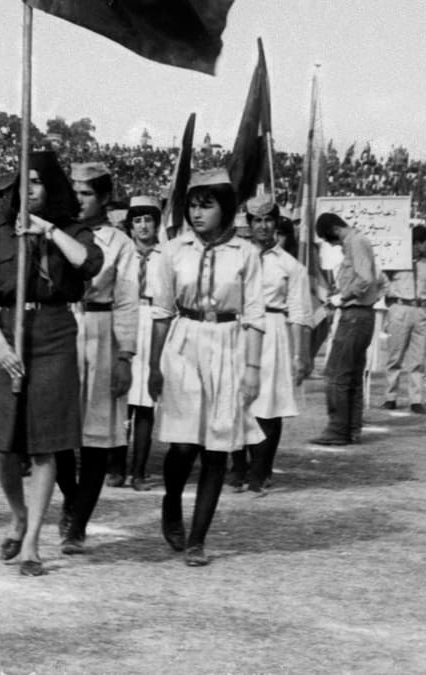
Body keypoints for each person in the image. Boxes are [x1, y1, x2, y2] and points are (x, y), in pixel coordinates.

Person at [0, 150, 103, 577]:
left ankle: (31, 545)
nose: (28, 190)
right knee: (2, 447)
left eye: (37, 182)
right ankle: (19, 514)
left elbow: (89, 265)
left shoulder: (71, 230)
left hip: (53, 333)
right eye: (22, 182)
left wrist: (47, 229)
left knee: (45, 443)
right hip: (7, 337)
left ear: (52, 187)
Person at [147, 169, 264, 566]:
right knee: (183, 445)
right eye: (192, 206)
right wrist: (153, 366)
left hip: (229, 344)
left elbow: (254, 315)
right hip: (184, 341)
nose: (197, 214)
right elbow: (161, 312)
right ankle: (171, 500)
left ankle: (197, 540)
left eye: (206, 206)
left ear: (226, 208)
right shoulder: (173, 250)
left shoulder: (246, 254)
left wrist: (251, 368)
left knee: (217, 448)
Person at [57, 162, 138, 555]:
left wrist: (126, 356)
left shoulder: (119, 243)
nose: (78, 199)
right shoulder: (61, 231)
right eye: (75, 191)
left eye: (86, 193)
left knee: (96, 437)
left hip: (102, 331)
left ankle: (78, 523)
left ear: (105, 197)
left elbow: (126, 301)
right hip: (61, 329)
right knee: (54, 430)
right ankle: (70, 497)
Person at [231, 196, 310, 493]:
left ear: (276, 223)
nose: (263, 226)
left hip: (273, 332)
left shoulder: (290, 265)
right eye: (257, 221)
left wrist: (300, 354)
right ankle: (238, 466)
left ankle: (259, 471)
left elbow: (300, 313)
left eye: (268, 220)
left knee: (268, 405)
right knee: (238, 400)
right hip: (240, 330)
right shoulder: (238, 256)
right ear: (249, 225)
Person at [310, 211, 382, 446]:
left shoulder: (355, 242)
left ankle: (338, 428)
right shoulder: (358, 241)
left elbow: (365, 280)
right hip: (361, 315)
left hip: (354, 315)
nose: (334, 245)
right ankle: (351, 428)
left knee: (336, 374)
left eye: (330, 240)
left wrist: (344, 296)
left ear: (333, 231)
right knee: (351, 376)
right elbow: (375, 281)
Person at [116, 195, 164, 492]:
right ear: (130, 227)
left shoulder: (165, 256)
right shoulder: (123, 255)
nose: (143, 226)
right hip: (127, 319)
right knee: (122, 399)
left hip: (154, 319)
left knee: (146, 402)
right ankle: (116, 468)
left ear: (156, 224)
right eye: (137, 221)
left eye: (148, 220)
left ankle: (139, 471)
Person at [380, 225, 426, 414]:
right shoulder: (396, 260)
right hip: (400, 308)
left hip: (420, 310)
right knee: (395, 355)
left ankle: (416, 399)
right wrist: (390, 300)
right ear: (417, 243)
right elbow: (382, 279)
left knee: (418, 357)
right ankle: (391, 396)